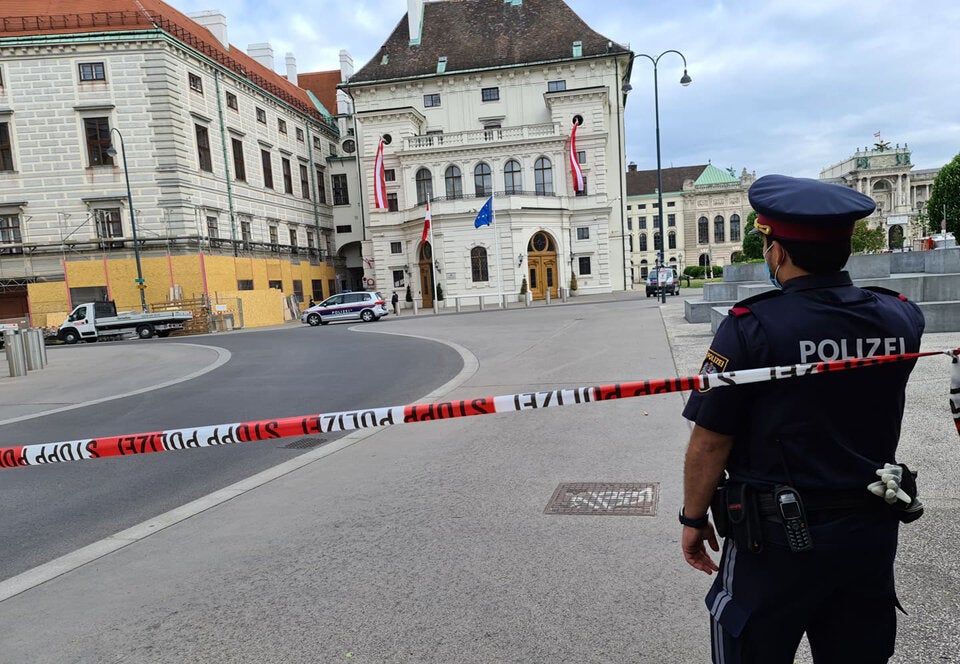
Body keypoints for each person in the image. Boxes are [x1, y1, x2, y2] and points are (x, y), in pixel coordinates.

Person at [680, 174, 925, 663]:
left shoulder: (750, 329)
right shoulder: (900, 317)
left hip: (773, 543)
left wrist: (692, 518)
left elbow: (710, 441)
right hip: (867, 532)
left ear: (777, 252)